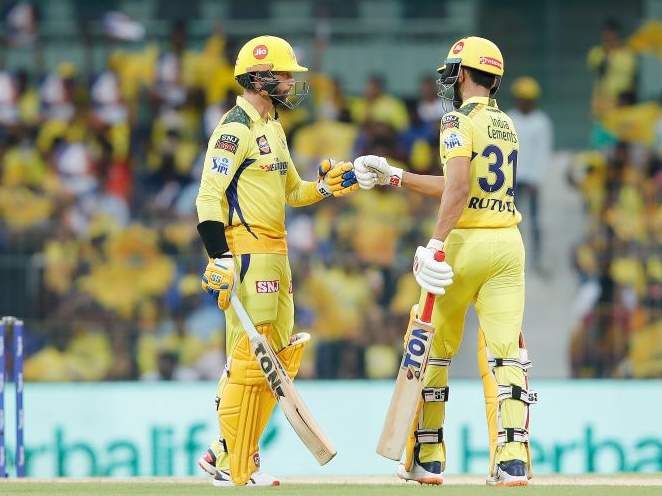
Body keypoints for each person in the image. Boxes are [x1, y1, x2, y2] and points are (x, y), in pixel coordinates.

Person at [354, 36, 536, 487]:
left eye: (452, 72)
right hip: (507, 245)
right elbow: (461, 182)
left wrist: (435, 242)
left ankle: (428, 457)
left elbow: (457, 188)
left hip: (464, 245)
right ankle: (512, 460)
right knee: (507, 355)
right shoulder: (506, 123)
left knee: (432, 349)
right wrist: (397, 176)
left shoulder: (456, 120)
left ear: (463, 74)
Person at [194, 35, 358, 487]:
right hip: (247, 255)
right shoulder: (234, 129)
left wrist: (325, 187)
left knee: (277, 360)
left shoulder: (273, 127)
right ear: (258, 78)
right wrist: (219, 256)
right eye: (283, 74)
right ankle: (237, 465)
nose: (290, 82)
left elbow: (292, 192)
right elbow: (208, 195)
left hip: (277, 254)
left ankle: (224, 450)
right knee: (253, 358)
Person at [508, 77, 553, 273]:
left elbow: (543, 152)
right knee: (510, 219)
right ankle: (512, 256)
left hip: (532, 179)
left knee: (534, 221)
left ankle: (536, 258)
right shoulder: (509, 118)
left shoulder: (541, 122)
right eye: (521, 98)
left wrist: (536, 178)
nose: (523, 102)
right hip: (512, 178)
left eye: (527, 99)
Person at [587, 18, 637, 118]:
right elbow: (599, 68)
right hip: (603, 101)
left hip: (623, 101)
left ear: (617, 34)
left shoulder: (627, 53)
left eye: (611, 34)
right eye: (606, 35)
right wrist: (607, 53)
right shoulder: (597, 52)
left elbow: (632, 77)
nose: (609, 38)